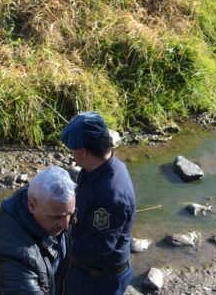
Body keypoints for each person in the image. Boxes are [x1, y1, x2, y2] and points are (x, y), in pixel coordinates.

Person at [0, 165, 75, 295]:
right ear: (31, 206)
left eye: (69, 214)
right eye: (56, 217)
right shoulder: (14, 254)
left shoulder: (39, 201)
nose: (65, 223)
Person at [62, 112, 136, 295]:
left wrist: (55, 238)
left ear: (83, 151)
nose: (71, 155)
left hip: (100, 280)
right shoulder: (96, 169)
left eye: (71, 150)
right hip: (87, 270)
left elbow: (96, 249)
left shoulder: (111, 195)